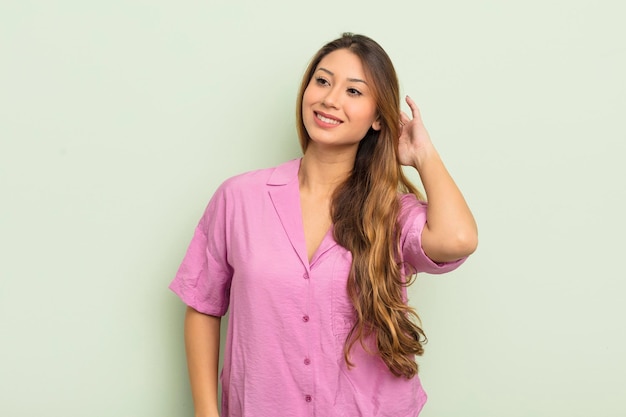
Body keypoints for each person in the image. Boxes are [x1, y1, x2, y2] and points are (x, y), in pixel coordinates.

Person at [169, 32, 477, 417]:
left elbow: (459, 239)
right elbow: (203, 305)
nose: (330, 99)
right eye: (323, 81)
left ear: (379, 117)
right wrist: (206, 412)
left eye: (353, 91)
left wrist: (423, 154)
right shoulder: (239, 198)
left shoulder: (391, 212)